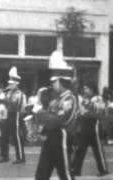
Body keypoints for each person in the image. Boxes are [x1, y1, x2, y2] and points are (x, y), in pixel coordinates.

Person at [34, 52, 77, 180]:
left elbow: (58, 120)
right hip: (50, 138)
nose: (52, 84)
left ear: (61, 81)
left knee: (65, 174)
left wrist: (40, 112)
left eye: (54, 81)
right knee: (41, 174)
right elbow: (48, 118)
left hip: (61, 138)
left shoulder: (69, 99)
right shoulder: (55, 100)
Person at [71, 82, 109, 177]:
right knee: (80, 149)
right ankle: (76, 169)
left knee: (97, 149)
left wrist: (84, 110)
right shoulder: (84, 99)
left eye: (87, 88)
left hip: (93, 125)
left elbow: (97, 112)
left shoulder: (98, 98)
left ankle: (103, 169)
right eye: (84, 88)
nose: (85, 90)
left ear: (92, 89)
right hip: (84, 125)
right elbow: (80, 111)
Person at [0, 66, 26, 164]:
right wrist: (0, 96)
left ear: (16, 84)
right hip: (9, 114)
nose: (10, 85)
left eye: (12, 83)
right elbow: (5, 103)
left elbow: (15, 105)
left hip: (16, 115)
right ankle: (4, 156)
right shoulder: (8, 93)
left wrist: (4, 98)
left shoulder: (19, 94)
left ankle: (21, 157)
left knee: (16, 137)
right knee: (4, 135)